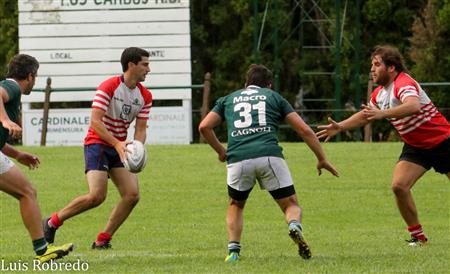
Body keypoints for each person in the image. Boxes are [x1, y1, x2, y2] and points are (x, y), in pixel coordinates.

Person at [199, 64, 339, 262]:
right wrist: (322, 159)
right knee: (290, 204)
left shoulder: (228, 99)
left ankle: (233, 252)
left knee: (236, 205)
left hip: (238, 159)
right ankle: (294, 226)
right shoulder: (274, 97)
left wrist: (221, 151)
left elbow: (204, 126)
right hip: (269, 156)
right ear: (269, 86)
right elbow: (304, 130)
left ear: (245, 84)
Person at [316, 45, 450, 246]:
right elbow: (366, 115)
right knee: (399, 186)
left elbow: (414, 105)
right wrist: (340, 127)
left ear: (391, 68)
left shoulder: (403, 82)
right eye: (372, 64)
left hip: (442, 142)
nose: (372, 69)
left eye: (377, 64)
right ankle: (418, 237)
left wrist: (383, 114)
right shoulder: (379, 93)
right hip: (416, 147)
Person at [43, 47, 153, 249]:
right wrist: (117, 144)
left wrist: (136, 148)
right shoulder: (109, 86)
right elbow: (95, 122)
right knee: (96, 196)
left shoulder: (145, 95)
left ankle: (103, 240)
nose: (149, 69)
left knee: (132, 195)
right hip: (98, 143)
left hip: (120, 146)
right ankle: (51, 222)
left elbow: (141, 128)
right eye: (145, 64)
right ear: (131, 65)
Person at [0, 54, 74, 262]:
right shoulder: (12, 87)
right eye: (36, 76)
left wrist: (18, 154)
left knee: (28, 192)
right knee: (27, 192)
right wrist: (5, 120)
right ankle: (42, 250)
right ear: (30, 76)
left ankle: (43, 250)